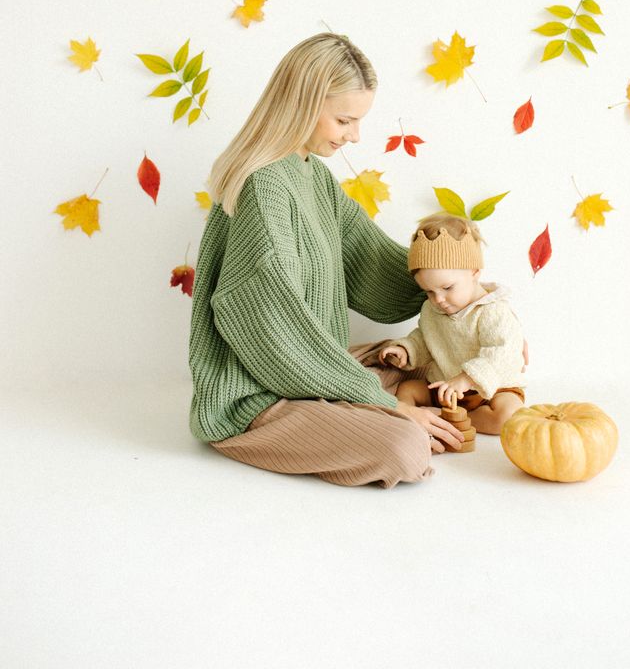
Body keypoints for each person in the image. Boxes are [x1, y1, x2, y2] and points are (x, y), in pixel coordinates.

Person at [188, 31, 469, 490]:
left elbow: (377, 263)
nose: (354, 136)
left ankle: (359, 402)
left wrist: (475, 300)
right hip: (258, 394)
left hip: (308, 367)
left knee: (428, 363)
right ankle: (362, 412)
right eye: (344, 120)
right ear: (302, 104)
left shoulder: (312, 176)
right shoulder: (264, 187)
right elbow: (272, 335)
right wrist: (389, 407)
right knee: (404, 449)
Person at [375, 212, 529, 436]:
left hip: (491, 389)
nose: (438, 299)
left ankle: (446, 419)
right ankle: (411, 418)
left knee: (508, 416)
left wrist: (467, 379)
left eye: (447, 288)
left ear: (474, 272)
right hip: (445, 387)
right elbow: (425, 338)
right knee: (408, 388)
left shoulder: (493, 311)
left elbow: (501, 353)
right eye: (429, 291)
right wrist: (406, 350)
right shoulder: (432, 310)